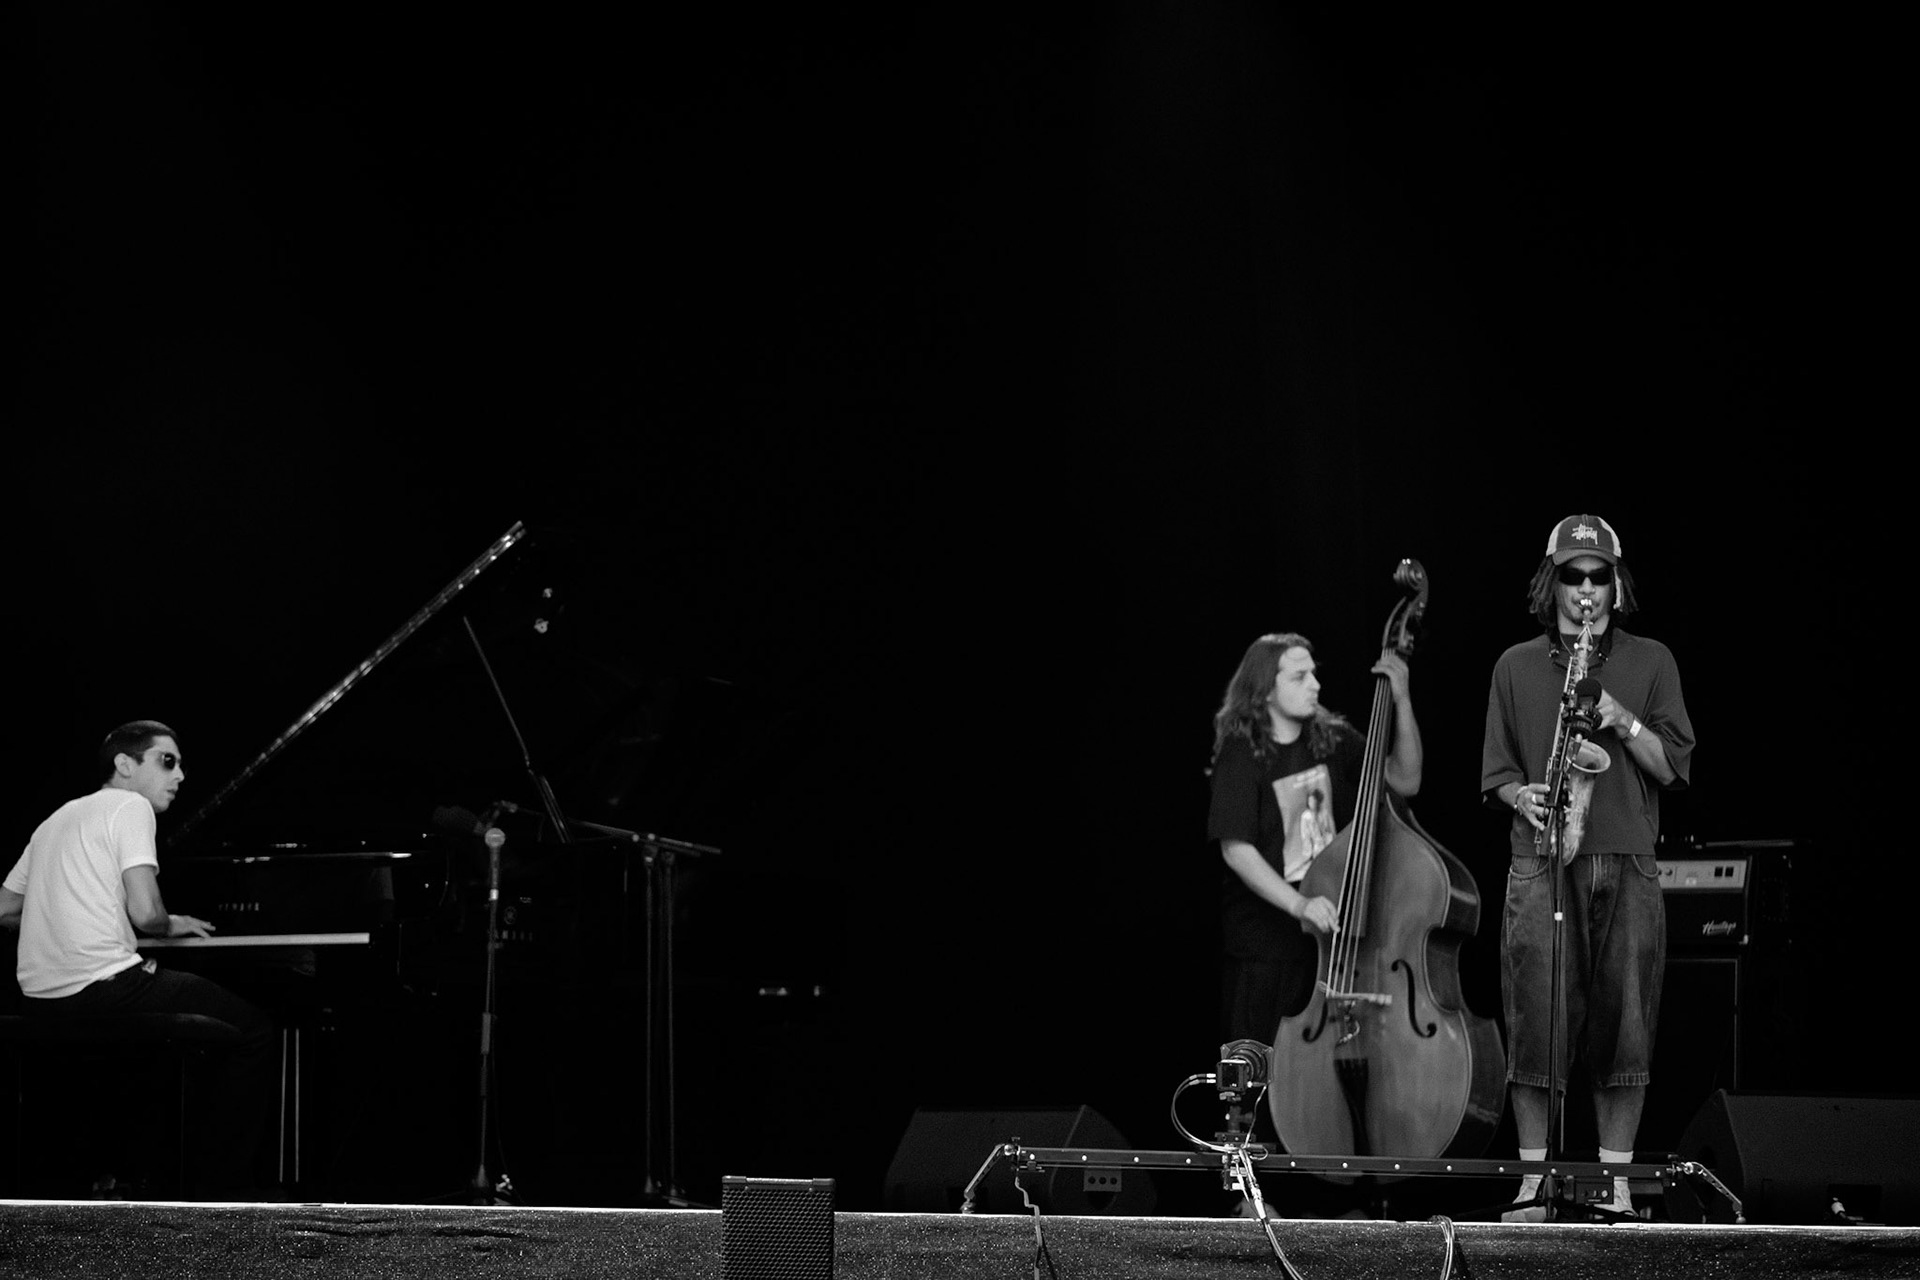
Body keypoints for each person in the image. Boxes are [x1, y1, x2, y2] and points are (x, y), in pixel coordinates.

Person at [1481, 516, 1695, 1221]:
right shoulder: (1514, 665)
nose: (1585, 592)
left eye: (1597, 577)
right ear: (1553, 586)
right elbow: (1497, 775)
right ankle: (1533, 1185)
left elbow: (1673, 767)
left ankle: (1616, 1189)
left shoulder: (1651, 659)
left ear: (1616, 584)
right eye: (1572, 578)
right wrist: (1524, 795)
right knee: (1534, 1026)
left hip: (1626, 859)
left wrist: (1617, 716)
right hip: (1541, 860)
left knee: (1625, 1028)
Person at [2, 720, 276, 1198]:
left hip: (39, 998)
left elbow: (4, 909)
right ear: (124, 765)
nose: (180, 775)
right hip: (106, 987)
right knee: (254, 1030)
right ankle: (223, 1190)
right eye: (166, 761)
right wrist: (175, 923)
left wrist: (61, 910)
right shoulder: (130, 806)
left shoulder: (57, 818)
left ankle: (141, 1169)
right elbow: (147, 913)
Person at [1208, 632, 1423, 1059]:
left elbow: (1405, 779)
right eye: (1299, 676)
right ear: (1266, 688)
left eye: (1314, 674)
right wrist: (1300, 904)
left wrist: (1402, 700)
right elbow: (1236, 849)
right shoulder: (1241, 753)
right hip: (1267, 949)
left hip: (1331, 945)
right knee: (1258, 1075)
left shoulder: (1331, 739)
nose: (1315, 685)